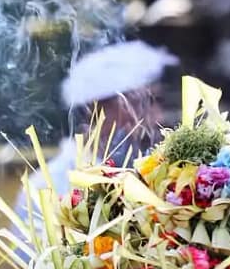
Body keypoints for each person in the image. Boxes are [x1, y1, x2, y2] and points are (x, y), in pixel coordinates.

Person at [17, 40, 179, 217]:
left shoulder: (171, 175)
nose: (158, 117)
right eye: (145, 104)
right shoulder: (48, 186)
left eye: (158, 101)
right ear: (96, 110)